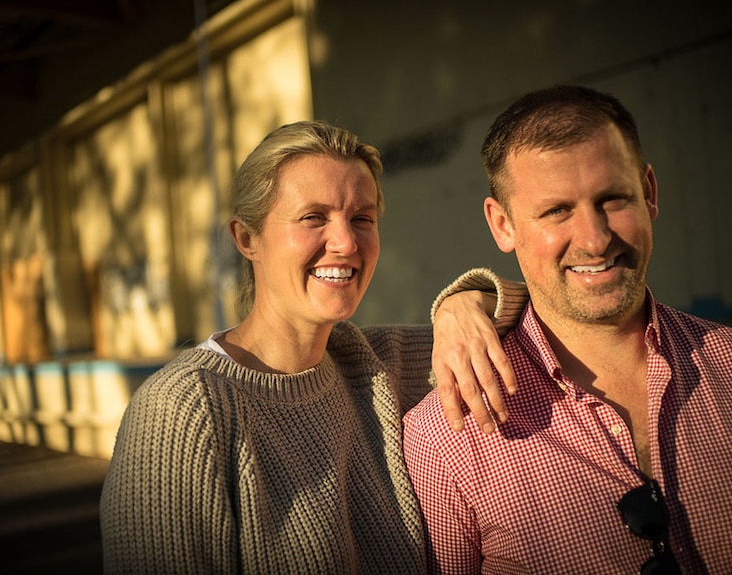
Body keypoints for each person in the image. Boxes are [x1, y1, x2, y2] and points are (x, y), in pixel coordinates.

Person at [99, 120, 529, 574]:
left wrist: (464, 302)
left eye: (362, 219)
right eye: (313, 217)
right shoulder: (184, 409)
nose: (345, 242)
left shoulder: (375, 362)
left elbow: (552, 312)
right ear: (247, 239)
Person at [403, 85, 732, 574]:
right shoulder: (446, 441)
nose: (595, 240)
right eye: (556, 211)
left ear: (649, 193)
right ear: (502, 225)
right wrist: (458, 303)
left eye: (613, 199)